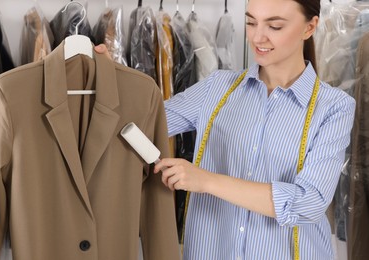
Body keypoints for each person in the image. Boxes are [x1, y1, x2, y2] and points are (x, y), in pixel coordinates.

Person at [95, 0, 355, 259]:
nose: (257, 36)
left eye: (274, 26)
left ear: (310, 27)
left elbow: (308, 202)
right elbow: (142, 123)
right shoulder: (217, 88)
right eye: (251, 22)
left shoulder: (333, 107)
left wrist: (205, 180)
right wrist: (109, 76)